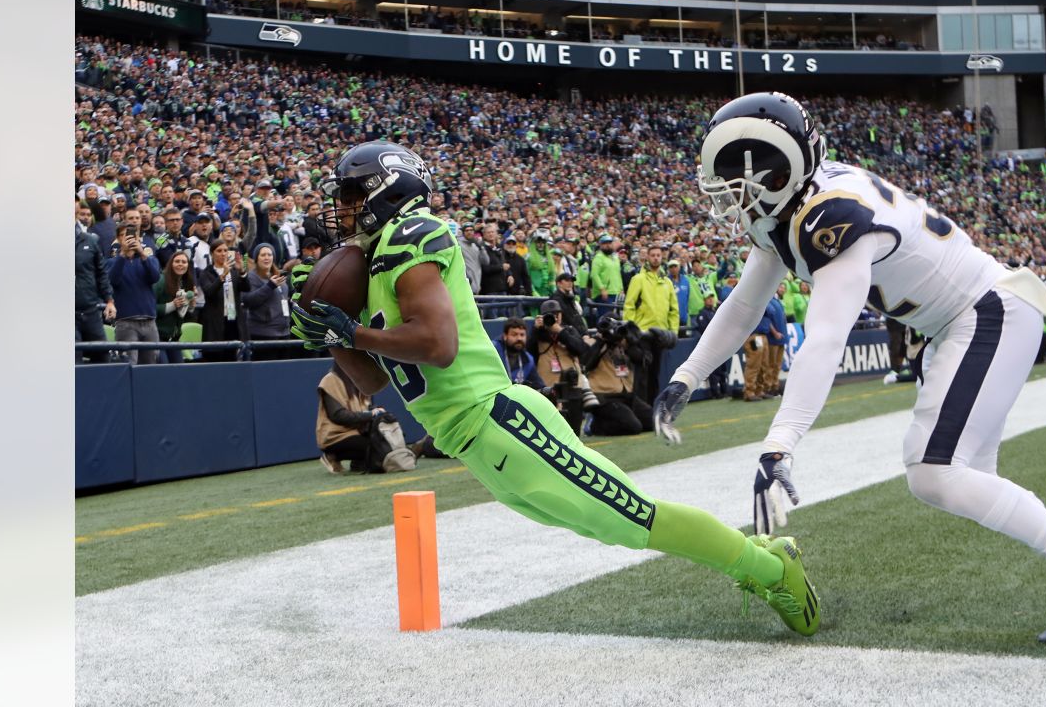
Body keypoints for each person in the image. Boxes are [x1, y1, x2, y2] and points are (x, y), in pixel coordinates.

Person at [653, 93, 1046, 658]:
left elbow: (828, 337)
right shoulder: (792, 206)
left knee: (935, 472)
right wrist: (686, 376)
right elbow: (743, 304)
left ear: (781, 170)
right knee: (954, 477)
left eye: (743, 183)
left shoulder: (831, 216)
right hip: (961, 324)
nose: (734, 196)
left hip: (986, 313)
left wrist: (779, 444)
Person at [289, 140, 820, 637]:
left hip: (497, 420)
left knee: (634, 516)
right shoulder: (379, 261)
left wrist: (350, 329)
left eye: (353, 194)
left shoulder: (412, 233)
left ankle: (769, 567)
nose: (344, 207)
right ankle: (762, 559)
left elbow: (437, 344)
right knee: (614, 526)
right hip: (473, 440)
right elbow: (374, 378)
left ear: (390, 189)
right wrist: (331, 336)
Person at [316, 363, 413, 474]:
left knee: (384, 442)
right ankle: (333, 455)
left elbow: (366, 407)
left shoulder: (359, 380)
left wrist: (378, 412)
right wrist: (371, 414)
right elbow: (338, 415)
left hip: (358, 431)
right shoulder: (330, 380)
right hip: (336, 435)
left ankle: (359, 462)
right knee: (377, 447)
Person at [527, 300, 597, 434]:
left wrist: (559, 331)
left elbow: (581, 349)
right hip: (549, 389)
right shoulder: (538, 334)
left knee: (574, 431)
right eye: (550, 315)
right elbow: (529, 355)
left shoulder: (568, 331)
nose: (554, 317)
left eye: (557, 314)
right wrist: (535, 330)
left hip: (573, 386)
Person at [623, 244, 679, 404]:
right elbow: (629, 305)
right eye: (652, 255)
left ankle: (651, 407)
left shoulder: (667, 282)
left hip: (660, 335)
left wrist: (672, 333)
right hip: (642, 335)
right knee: (642, 374)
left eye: (658, 255)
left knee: (655, 374)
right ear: (647, 257)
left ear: (662, 258)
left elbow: (674, 310)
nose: (655, 257)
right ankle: (641, 408)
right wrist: (632, 331)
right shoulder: (638, 279)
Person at [108, 225, 163, 365]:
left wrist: (143, 254)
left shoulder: (149, 260)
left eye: (134, 235)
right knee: (129, 365)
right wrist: (122, 255)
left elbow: (155, 277)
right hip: (126, 322)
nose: (130, 238)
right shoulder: (112, 262)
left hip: (149, 321)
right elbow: (113, 280)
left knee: (151, 366)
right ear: (119, 239)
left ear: (139, 238)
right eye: (124, 235)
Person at [197, 239, 250, 362]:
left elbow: (246, 288)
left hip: (232, 320)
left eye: (225, 250)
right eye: (219, 251)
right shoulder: (206, 273)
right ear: (212, 253)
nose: (223, 253)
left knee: (231, 357)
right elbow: (209, 292)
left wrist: (242, 271)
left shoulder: (234, 272)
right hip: (215, 322)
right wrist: (223, 275)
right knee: (214, 358)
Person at [76, 211, 116, 364]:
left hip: (90, 310)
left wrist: (109, 300)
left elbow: (101, 274)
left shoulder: (90, 241)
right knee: (74, 359)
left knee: (103, 357)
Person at [242, 243, 293, 360]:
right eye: (263, 255)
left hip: (284, 333)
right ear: (256, 258)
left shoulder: (278, 276)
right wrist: (269, 286)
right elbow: (249, 300)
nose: (266, 257)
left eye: (269, 255)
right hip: (263, 334)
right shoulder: (251, 277)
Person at [154, 251, 200, 364]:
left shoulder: (186, 283)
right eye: (177, 261)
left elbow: (185, 312)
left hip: (174, 338)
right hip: (158, 337)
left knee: (179, 370)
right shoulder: (161, 280)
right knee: (163, 370)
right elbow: (149, 308)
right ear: (170, 263)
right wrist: (172, 305)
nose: (180, 264)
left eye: (184, 262)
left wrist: (191, 305)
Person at [495, 317, 546, 392]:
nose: (519, 338)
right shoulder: (494, 350)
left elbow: (538, 385)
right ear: (505, 336)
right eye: (514, 334)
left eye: (522, 335)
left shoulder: (528, 359)